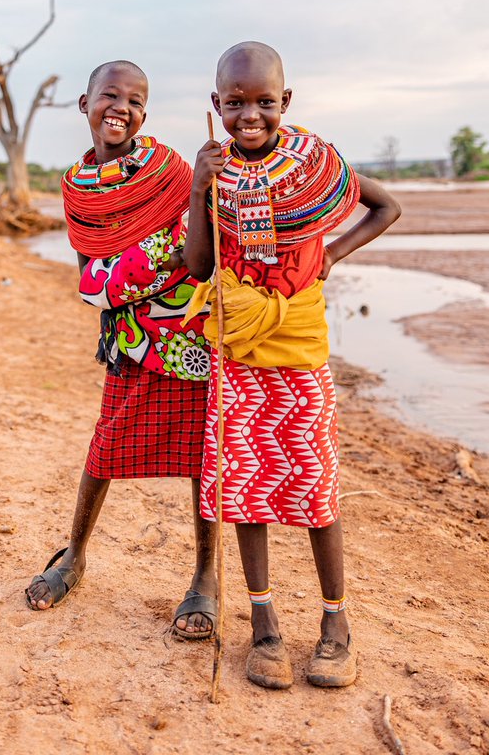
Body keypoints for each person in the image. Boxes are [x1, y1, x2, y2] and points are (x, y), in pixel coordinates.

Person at [182, 41, 400, 689]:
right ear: (215, 105)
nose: (249, 115)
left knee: (313, 486)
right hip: (239, 348)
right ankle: (264, 626)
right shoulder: (213, 170)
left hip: (299, 345)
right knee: (245, 489)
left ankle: (335, 626)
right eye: (234, 103)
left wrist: (331, 254)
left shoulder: (314, 165)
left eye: (264, 102)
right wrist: (198, 188)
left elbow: (385, 206)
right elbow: (197, 267)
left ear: (286, 102)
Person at [25, 60, 218, 639]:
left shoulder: (168, 169)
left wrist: (114, 281)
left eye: (136, 101)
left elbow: (195, 248)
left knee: (199, 459)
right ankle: (75, 555)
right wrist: (117, 282)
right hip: (129, 339)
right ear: (84, 104)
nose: (122, 108)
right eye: (111, 96)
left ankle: (205, 578)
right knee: (106, 445)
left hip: (189, 330)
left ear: (145, 114)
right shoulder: (76, 188)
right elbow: (88, 273)